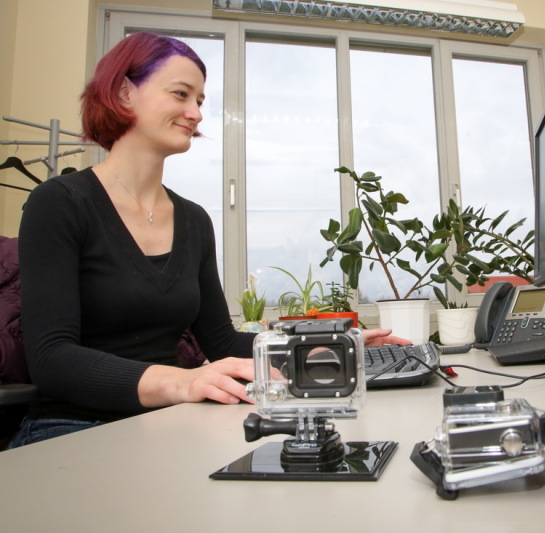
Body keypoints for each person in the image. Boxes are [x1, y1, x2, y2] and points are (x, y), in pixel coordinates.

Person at [11, 32, 408, 448]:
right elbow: (51, 357)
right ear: (125, 93)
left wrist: (327, 345)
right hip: (71, 428)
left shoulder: (193, 220)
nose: (196, 113)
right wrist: (183, 382)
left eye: (199, 100)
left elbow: (221, 342)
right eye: (181, 94)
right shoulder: (58, 203)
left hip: (168, 422)